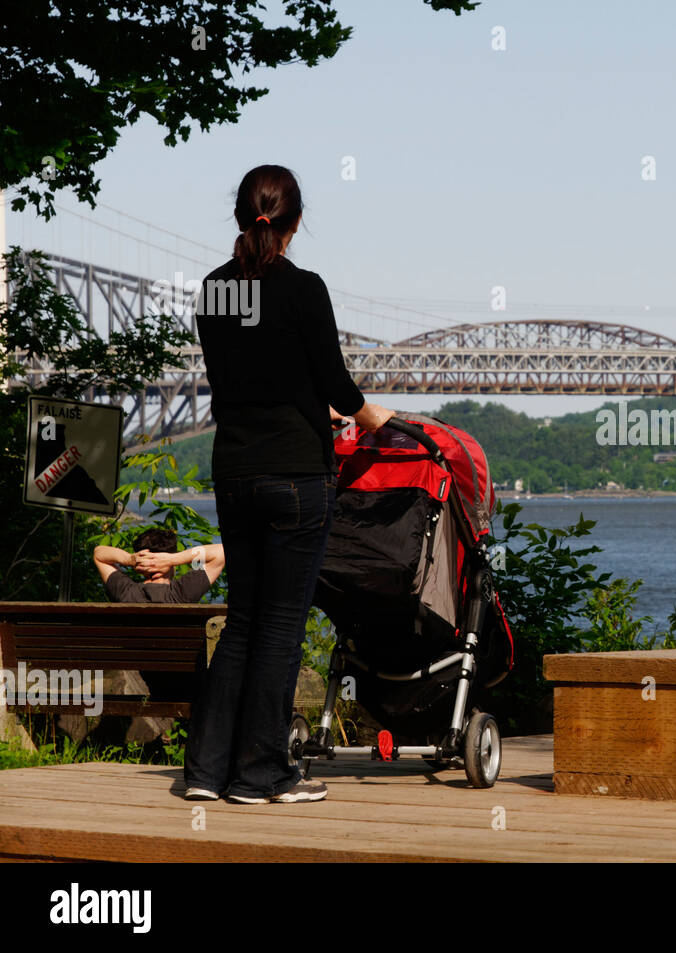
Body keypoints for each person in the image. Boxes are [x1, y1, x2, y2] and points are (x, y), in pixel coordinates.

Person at [183, 164, 393, 805]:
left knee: (243, 620)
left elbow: (242, 376)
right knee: (279, 626)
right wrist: (371, 416)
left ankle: (205, 773)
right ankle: (262, 774)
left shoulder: (213, 292)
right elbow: (331, 380)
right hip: (297, 475)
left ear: (242, 216)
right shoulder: (304, 288)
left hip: (235, 471)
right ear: (294, 222)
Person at [93, 529, 225, 603]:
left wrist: (130, 559)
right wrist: (174, 559)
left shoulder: (126, 592)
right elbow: (222, 552)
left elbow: (99, 554)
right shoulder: (181, 593)